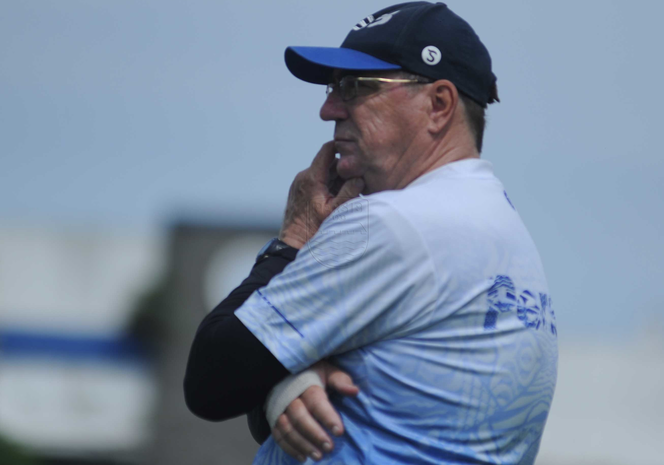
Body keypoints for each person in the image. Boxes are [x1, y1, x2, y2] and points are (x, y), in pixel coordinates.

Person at [183, 2, 558, 464]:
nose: (328, 109)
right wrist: (283, 379)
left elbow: (212, 381)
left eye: (356, 86)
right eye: (331, 86)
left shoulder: (390, 223)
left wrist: (295, 237)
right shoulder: (506, 231)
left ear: (438, 105)